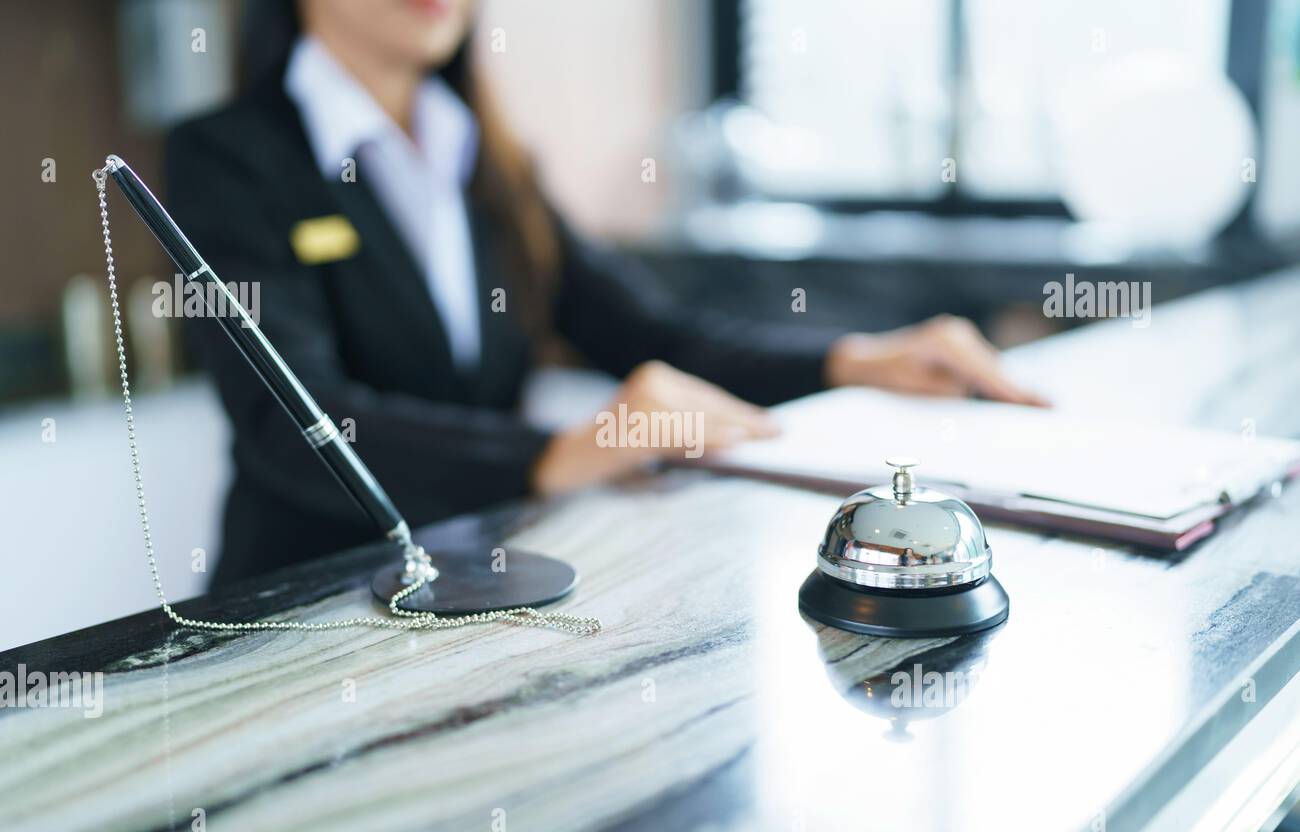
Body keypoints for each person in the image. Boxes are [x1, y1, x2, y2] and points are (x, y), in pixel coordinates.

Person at [166, 0, 1045, 585]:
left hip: (464, 588)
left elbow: (652, 337)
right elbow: (290, 421)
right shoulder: (226, 159)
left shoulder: (485, 161)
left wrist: (857, 357)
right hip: (298, 602)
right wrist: (558, 453)